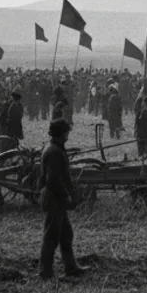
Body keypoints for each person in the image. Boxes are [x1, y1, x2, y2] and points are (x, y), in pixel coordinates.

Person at [39, 119, 87, 280]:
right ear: (61, 133)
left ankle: (71, 267)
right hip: (54, 198)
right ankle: (45, 273)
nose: (68, 134)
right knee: (51, 236)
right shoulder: (54, 152)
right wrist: (66, 196)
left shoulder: (56, 148)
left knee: (66, 234)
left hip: (56, 197)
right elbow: (53, 180)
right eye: (66, 131)